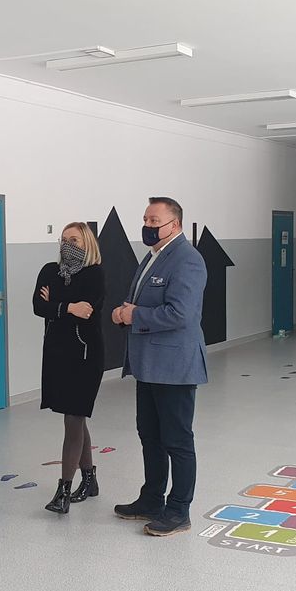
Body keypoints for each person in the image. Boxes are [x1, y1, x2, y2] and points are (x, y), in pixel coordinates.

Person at [110, 197, 208, 536]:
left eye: (155, 221)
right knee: (150, 435)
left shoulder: (187, 260)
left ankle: (179, 510)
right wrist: (125, 311)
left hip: (174, 366)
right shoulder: (153, 256)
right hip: (149, 365)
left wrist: (134, 315)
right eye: (146, 220)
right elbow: (145, 301)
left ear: (174, 224)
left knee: (177, 440)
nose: (148, 226)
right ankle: (151, 499)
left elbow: (181, 314)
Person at [32, 222, 106, 514]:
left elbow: (88, 311)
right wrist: (69, 307)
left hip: (85, 356)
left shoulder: (94, 273)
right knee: (76, 418)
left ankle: (63, 490)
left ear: (86, 243)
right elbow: (38, 307)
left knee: (73, 419)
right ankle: (89, 480)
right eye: (64, 240)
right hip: (57, 355)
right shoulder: (49, 270)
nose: (68, 245)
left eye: (74, 239)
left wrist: (57, 304)